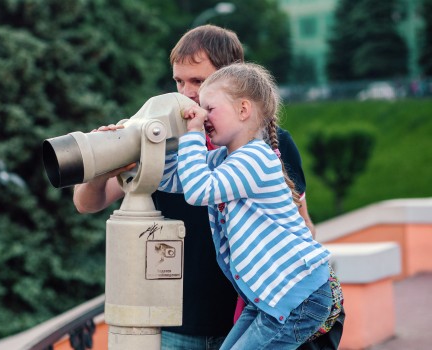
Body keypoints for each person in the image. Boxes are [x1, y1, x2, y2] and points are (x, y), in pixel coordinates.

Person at [73, 25, 344, 350]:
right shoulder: (167, 139)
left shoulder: (266, 147)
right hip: (176, 321)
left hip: (251, 309)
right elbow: (88, 202)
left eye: (198, 82)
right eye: (179, 81)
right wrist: (110, 154)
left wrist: (191, 137)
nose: (186, 92)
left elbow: (300, 224)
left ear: (230, 81)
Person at [159, 62, 343, 350]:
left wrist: (193, 133)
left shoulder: (256, 158)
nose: (203, 115)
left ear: (244, 110)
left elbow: (198, 191)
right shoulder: (223, 159)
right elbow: (173, 179)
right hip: (270, 298)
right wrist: (147, 143)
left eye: (211, 108)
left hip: (299, 296)